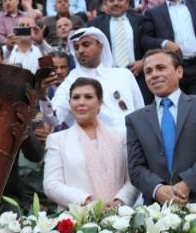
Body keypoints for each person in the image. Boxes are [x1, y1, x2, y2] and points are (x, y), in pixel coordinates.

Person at [44, 77, 139, 209]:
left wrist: (119, 202)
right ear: (70, 103)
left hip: (119, 216)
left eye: (88, 97)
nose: (81, 102)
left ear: (100, 102)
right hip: (76, 216)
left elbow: (134, 178)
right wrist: (88, 203)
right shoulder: (58, 140)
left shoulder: (121, 136)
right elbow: (51, 185)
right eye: (76, 98)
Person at [40, 27, 144, 134]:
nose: (80, 51)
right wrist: (43, 97)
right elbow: (54, 120)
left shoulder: (124, 75)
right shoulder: (71, 82)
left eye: (86, 44)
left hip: (132, 141)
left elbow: (141, 113)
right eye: (76, 47)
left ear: (100, 46)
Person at [127, 48, 196, 205]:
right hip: (156, 210)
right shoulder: (135, 119)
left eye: (161, 68)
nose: (154, 75)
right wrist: (158, 189)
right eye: (148, 71)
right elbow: (136, 168)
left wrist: (188, 183)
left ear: (179, 71)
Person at [89, 0, 151, 102]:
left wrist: (144, 61)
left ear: (127, 2)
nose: (116, 3)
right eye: (111, 0)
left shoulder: (141, 20)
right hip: (107, 78)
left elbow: (151, 45)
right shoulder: (95, 25)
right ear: (106, 3)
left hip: (137, 76)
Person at [140, 0, 196, 94]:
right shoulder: (153, 13)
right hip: (171, 69)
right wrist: (164, 43)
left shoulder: (194, 4)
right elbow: (145, 39)